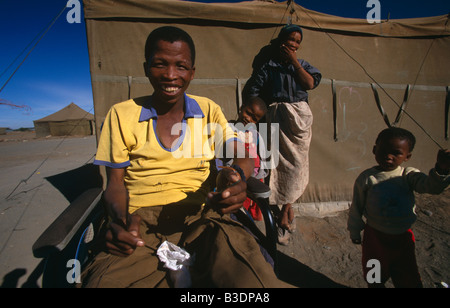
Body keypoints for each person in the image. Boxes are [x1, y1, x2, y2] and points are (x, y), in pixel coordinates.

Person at [80, 26, 290, 288]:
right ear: (146, 68)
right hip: (139, 223)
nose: (170, 75)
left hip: (202, 217)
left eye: (181, 66)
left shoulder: (208, 110)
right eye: (160, 64)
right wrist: (119, 220)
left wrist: (237, 176)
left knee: (252, 282)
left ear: (192, 72)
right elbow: (114, 185)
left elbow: (241, 153)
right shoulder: (121, 115)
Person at [243, 24, 322, 245]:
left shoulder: (302, 65)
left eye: (297, 41)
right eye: (290, 39)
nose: (293, 44)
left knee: (296, 166)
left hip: (298, 120)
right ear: (280, 41)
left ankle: (286, 210)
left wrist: (294, 61)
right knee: (275, 165)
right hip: (275, 117)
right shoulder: (268, 67)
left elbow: (310, 83)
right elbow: (253, 91)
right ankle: (285, 220)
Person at [347, 127, 450, 288]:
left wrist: (442, 169)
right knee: (374, 275)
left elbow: (432, 187)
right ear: (375, 150)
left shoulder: (408, 176)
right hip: (374, 238)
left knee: (407, 276)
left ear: (407, 157)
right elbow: (357, 206)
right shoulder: (367, 178)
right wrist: (354, 230)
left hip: (402, 239)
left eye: (396, 153)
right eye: (384, 150)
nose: (389, 156)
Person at [220, 96, 268, 220]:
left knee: (244, 211)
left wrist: (260, 178)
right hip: (230, 178)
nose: (248, 118)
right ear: (241, 108)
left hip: (250, 180)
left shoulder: (256, 136)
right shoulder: (227, 128)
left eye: (254, 118)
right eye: (248, 112)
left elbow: (261, 158)